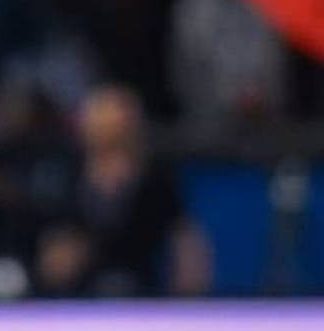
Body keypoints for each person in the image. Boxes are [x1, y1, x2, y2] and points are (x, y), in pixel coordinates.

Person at [35, 85, 211, 297]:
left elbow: (182, 234)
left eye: (113, 116)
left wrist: (188, 290)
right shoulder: (68, 174)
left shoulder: (154, 177)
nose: (103, 124)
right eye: (98, 115)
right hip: (79, 290)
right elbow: (54, 240)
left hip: (139, 289)